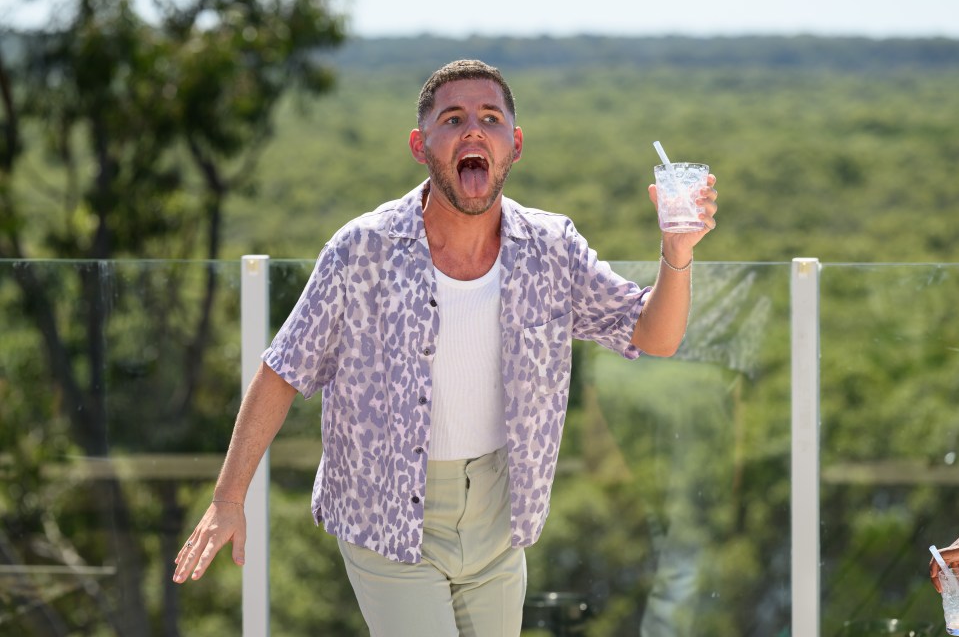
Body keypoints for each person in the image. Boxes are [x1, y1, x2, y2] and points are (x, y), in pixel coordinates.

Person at [172, 58, 718, 636]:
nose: (473, 130)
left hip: (499, 521)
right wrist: (228, 498)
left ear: (515, 143)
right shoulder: (363, 251)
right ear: (420, 144)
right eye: (452, 119)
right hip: (385, 515)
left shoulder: (552, 249)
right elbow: (282, 372)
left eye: (490, 117)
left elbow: (654, 334)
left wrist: (677, 251)